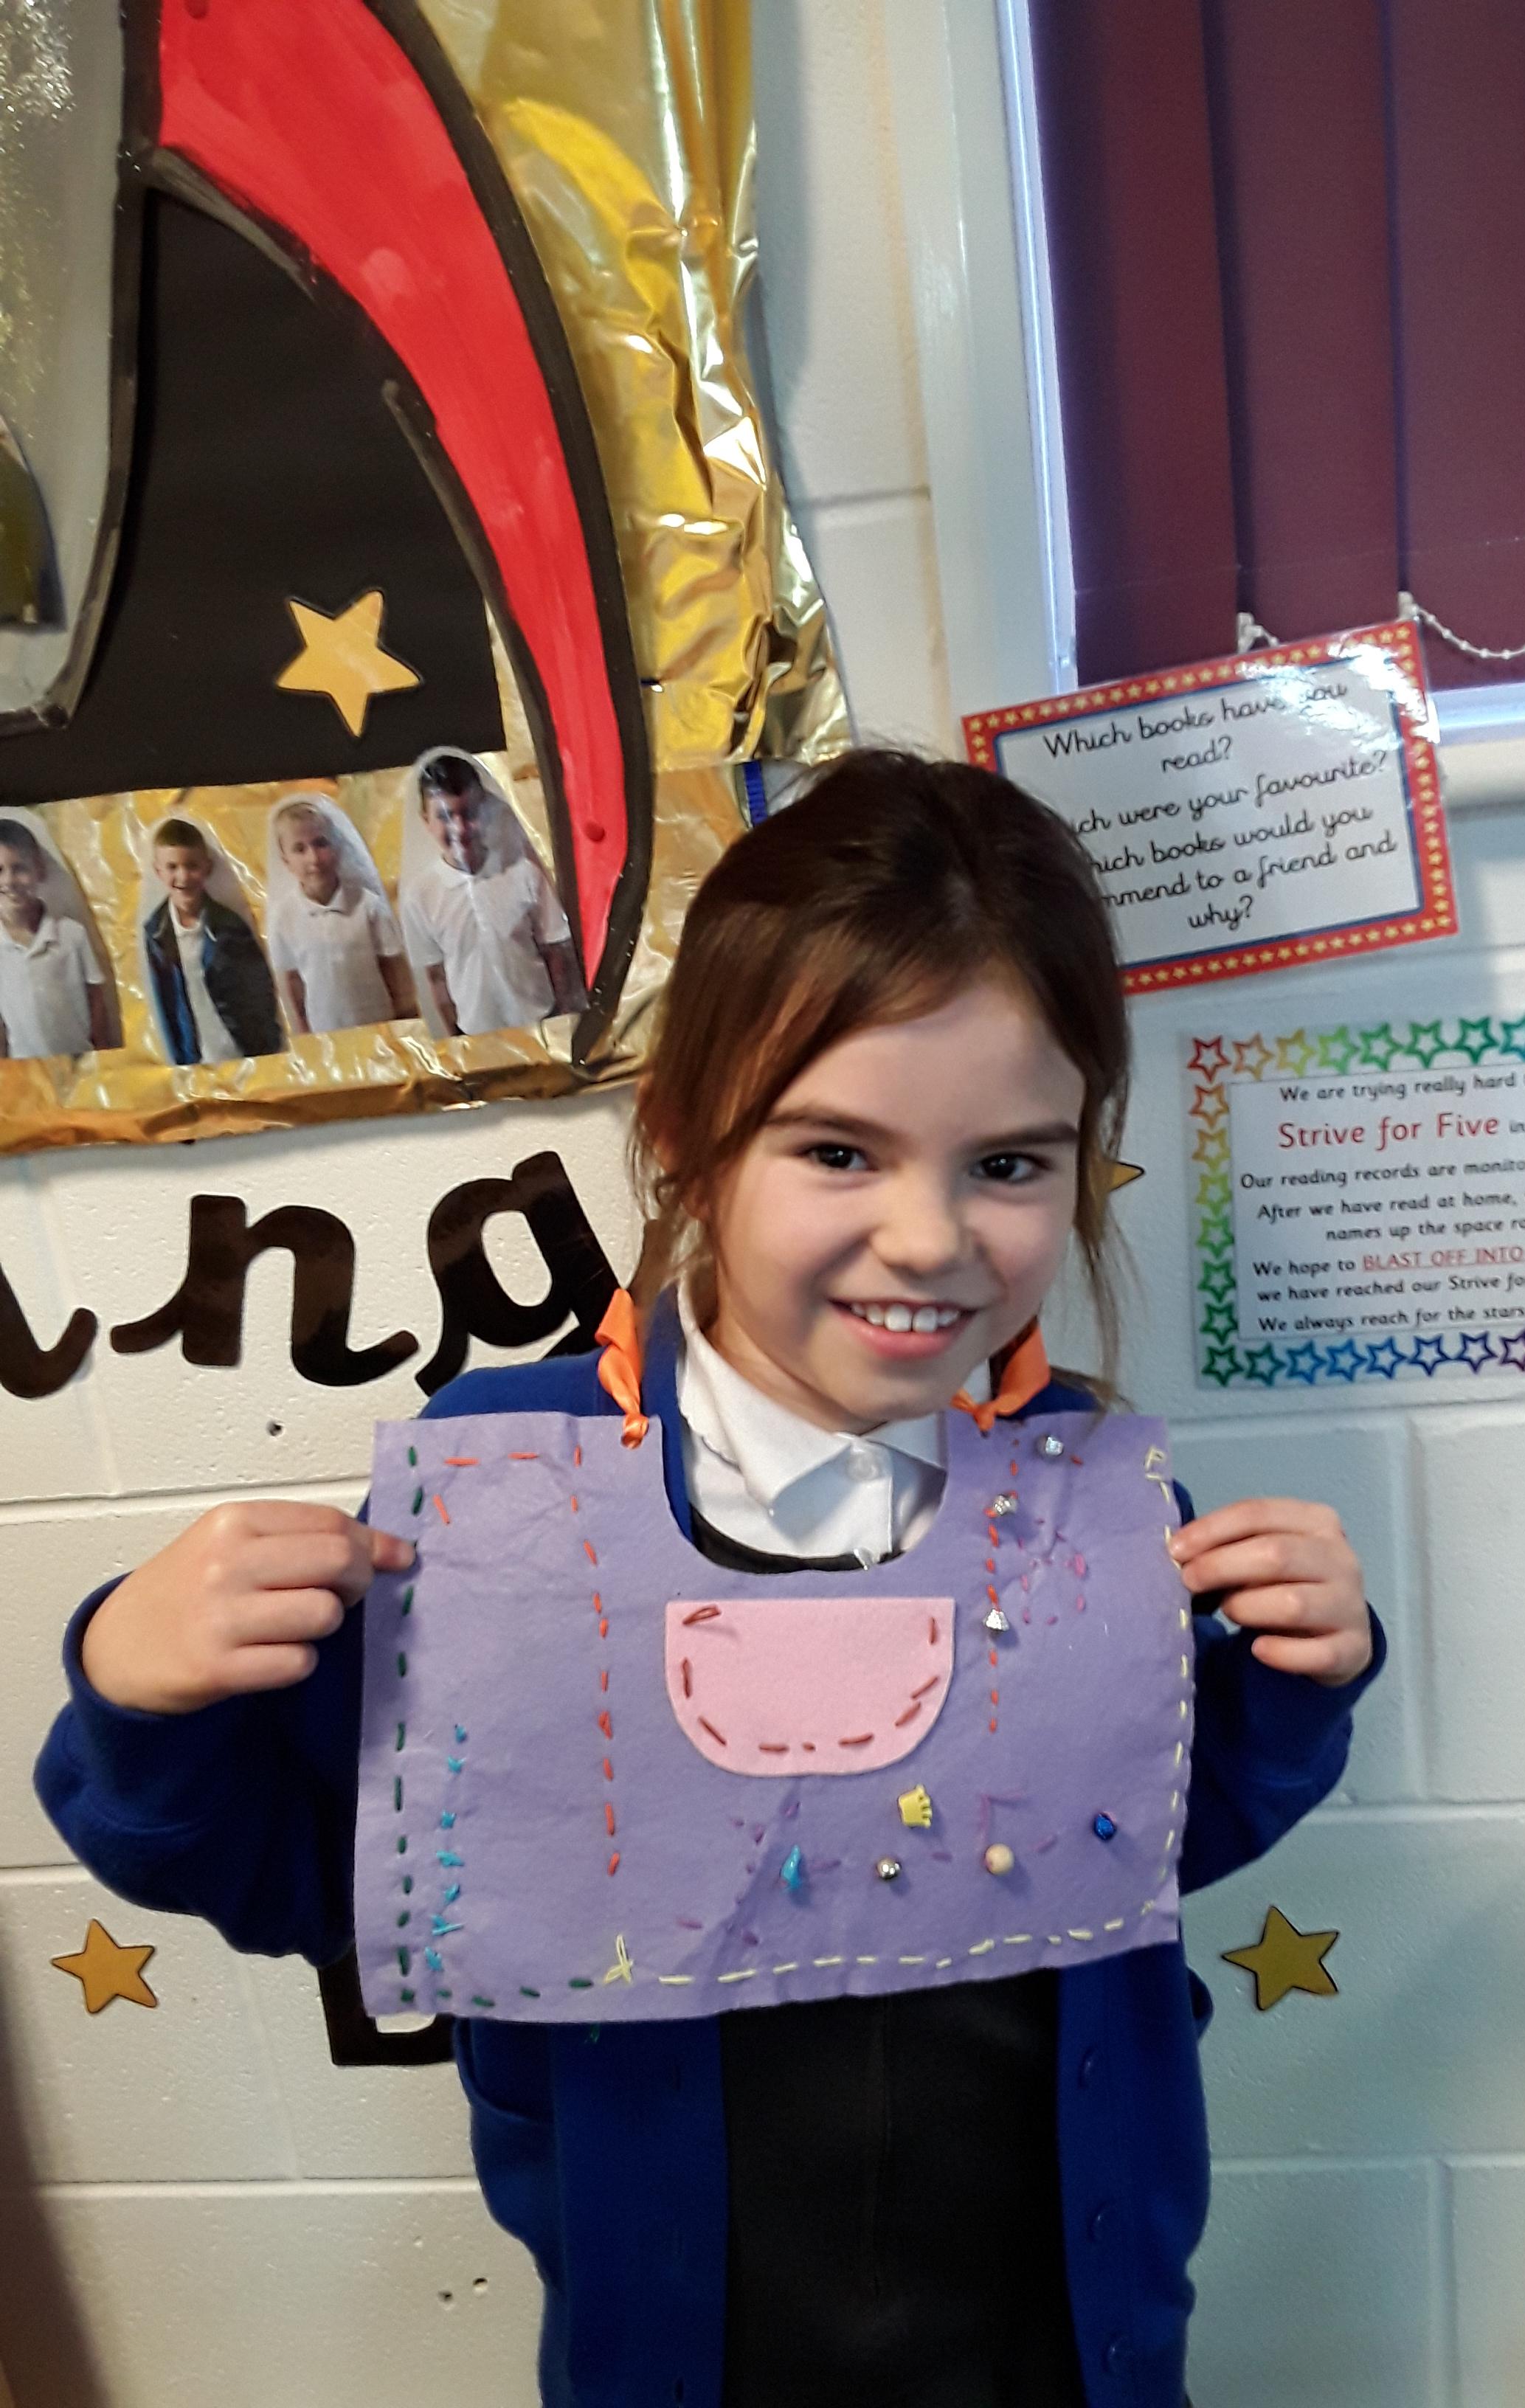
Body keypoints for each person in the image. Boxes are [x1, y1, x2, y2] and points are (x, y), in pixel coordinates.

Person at [37, 751, 1382, 2408]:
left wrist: (1287, 1684)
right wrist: (144, 1698)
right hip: (686, 2349)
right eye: (838, 1151)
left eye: (1009, 1164)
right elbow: (314, 1875)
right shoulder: (507, 1487)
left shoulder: (1083, 1488)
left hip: (1066, 2341)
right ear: (685, 1137)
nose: (929, 1237)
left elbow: (1129, 1846)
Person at [400, 750, 582, 1035]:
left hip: (541, 1021)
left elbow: (555, 950)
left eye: (469, 813)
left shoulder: (524, 872)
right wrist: (454, 1039)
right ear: (426, 821)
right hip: (478, 1034)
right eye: (445, 816)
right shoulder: (419, 897)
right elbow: (436, 977)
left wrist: (561, 1017)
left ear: (484, 809)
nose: (459, 829)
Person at [266, 796, 416, 1035]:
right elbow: (292, 981)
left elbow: (393, 967)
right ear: (286, 861)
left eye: (321, 844)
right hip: (326, 1032)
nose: (313, 858)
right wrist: (303, 1033)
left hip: (377, 1026)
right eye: (299, 849)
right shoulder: (284, 918)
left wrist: (404, 1019)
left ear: (337, 848)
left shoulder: (368, 905)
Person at [142, 815, 285, 1064]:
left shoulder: (231, 926)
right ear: (158, 871)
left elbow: (259, 990)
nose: (183, 877)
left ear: (207, 868)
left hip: (242, 1049)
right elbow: (165, 1003)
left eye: (192, 866)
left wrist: (268, 1048)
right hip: (195, 1055)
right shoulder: (156, 933)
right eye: (172, 867)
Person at [0, 815, 111, 1059]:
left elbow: (96, 999)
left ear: (38, 869)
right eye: (0, 871)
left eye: (19, 868)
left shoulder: (72, 934)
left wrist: (102, 1057)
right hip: (28, 1069)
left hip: (80, 1060)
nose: (9, 881)